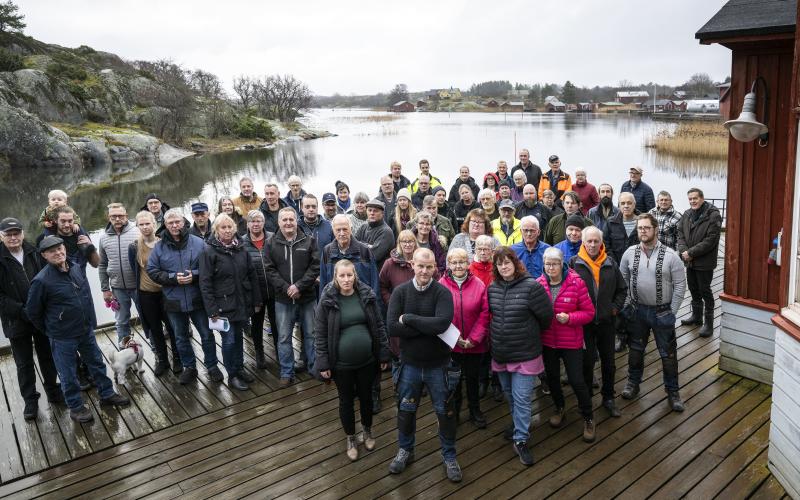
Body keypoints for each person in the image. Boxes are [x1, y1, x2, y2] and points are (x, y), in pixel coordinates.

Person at [26, 236, 130, 423]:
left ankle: (107, 394)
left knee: (97, 364)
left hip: (85, 330)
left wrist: (90, 321)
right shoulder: (41, 281)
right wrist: (52, 330)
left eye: (60, 249)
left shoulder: (74, 267)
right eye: (52, 251)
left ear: (65, 249)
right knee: (68, 373)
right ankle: (76, 406)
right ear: (44, 255)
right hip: (62, 336)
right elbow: (33, 313)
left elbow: (85, 296)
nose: (58, 253)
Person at [387, 248, 461, 482]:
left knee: (445, 412)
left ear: (435, 268)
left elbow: (441, 324)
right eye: (421, 266)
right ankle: (405, 449)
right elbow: (392, 328)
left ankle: (449, 455)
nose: (425, 271)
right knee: (406, 410)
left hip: (438, 365)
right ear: (412, 265)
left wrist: (409, 319)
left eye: (429, 267)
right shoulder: (400, 292)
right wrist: (427, 327)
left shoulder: (442, 293)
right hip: (409, 364)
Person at [315, 260, 390, 461]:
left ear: (355, 275)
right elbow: (320, 333)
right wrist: (323, 363)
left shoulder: (366, 295)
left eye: (350, 275)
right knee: (346, 401)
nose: (346, 279)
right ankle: (350, 436)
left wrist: (383, 353)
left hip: (367, 361)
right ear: (335, 277)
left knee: (366, 398)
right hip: (341, 365)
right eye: (342, 276)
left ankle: (367, 430)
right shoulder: (328, 300)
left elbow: (379, 326)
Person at [488, 247, 553, 466]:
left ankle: (521, 439)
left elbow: (546, 317)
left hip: (525, 353)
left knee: (523, 398)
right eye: (499, 263)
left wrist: (528, 333)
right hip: (501, 353)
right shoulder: (493, 288)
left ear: (516, 263)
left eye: (507, 262)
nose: (504, 266)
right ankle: (519, 425)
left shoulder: (531, 287)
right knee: (510, 394)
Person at [620, 213, 687, 412]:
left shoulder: (671, 255)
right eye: (640, 228)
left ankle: (673, 391)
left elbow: (681, 285)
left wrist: (672, 313)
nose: (643, 231)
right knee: (635, 350)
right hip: (637, 310)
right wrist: (625, 307)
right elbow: (622, 281)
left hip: (662, 311)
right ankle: (633, 383)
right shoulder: (629, 253)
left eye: (647, 228)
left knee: (668, 354)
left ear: (656, 230)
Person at [147, 209, 221, 385]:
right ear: (165, 225)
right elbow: (152, 270)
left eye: (177, 222)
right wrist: (173, 278)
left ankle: (212, 366)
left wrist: (194, 275)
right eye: (170, 223)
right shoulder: (159, 247)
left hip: (198, 298)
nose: (174, 225)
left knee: (206, 334)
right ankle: (190, 367)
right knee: (180, 337)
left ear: (184, 222)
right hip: (174, 301)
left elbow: (210, 267)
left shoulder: (198, 243)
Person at [0, 218, 62, 420]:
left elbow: (48, 280)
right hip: (15, 320)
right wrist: (22, 311)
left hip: (40, 317)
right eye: (8, 234)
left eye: (16, 233)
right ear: (1, 236)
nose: (13, 237)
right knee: (23, 363)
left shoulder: (35, 252)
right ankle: (30, 401)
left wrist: (40, 309)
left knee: (47, 356)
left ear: (22, 233)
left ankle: (53, 391)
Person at [537, 247, 596, 442]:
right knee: (552, 378)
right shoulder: (538, 284)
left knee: (577, 380)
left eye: (554, 263)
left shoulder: (576, 282)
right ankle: (559, 407)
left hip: (570, 341)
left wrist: (569, 318)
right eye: (547, 264)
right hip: (548, 342)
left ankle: (588, 417)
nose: (551, 267)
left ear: (562, 263)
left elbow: (589, 313)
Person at [199, 214, 261, 391]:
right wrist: (212, 310)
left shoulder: (241, 248)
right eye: (223, 228)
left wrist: (256, 300)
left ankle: (240, 368)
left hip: (241, 302)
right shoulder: (209, 252)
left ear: (234, 228)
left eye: (230, 227)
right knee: (229, 340)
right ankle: (232, 375)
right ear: (216, 230)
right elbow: (205, 283)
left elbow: (251, 274)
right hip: (222, 307)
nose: (227, 230)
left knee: (239, 338)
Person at [570, 226, 627, 418]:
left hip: (606, 322)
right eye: (589, 241)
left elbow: (622, 289)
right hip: (583, 324)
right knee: (586, 362)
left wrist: (614, 308)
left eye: (596, 241)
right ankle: (586, 398)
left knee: (609, 363)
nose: (593, 245)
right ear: (583, 242)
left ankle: (608, 397)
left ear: (601, 242)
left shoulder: (610, 263)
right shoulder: (573, 264)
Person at [264, 208, 320, 387]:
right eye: (284, 220)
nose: (288, 223)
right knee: (283, 337)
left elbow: (315, 266)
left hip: (307, 296)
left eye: (291, 219)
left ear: (297, 221)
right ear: (279, 222)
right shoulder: (271, 243)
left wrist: (299, 286)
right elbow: (269, 269)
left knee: (311, 334)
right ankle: (286, 372)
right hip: (283, 299)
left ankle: (313, 367)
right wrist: (287, 287)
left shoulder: (309, 241)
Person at [440, 248, 490, 428]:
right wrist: (455, 339)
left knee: (472, 378)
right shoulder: (441, 284)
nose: (458, 265)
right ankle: (455, 410)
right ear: (449, 264)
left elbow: (485, 314)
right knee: (453, 381)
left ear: (468, 263)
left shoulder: (478, 284)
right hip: (451, 345)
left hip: (474, 344)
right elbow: (439, 316)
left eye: (461, 261)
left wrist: (473, 339)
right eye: (454, 262)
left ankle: (475, 410)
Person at [128, 211, 179, 376]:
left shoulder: (163, 243)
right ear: (137, 226)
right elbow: (135, 270)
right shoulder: (134, 247)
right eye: (141, 224)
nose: (144, 227)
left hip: (165, 293)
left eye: (147, 223)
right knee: (155, 330)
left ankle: (178, 358)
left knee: (172, 327)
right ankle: (163, 361)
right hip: (146, 295)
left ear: (154, 224)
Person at [676, 188, 722, 338]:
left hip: (704, 261)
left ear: (702, 198)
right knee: (693, 289)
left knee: (705, 291)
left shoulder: (713, 215)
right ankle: (696, 317)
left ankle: (708, 323)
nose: (692, 201)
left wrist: (691, 253)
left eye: (695, 198)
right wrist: (684, 251)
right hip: (689, 261)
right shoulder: (687, 213)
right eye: (690, 199)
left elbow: (711, 240)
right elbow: (680, 233)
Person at [98, 203, 140, 345]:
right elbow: (102, 265)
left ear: (126, 216)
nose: (117, 219)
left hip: (139, 286)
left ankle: (157, 351)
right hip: (117, 288)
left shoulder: (138, 231)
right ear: (109, 217)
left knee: (148, 319)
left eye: (120, 216)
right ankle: (125, 352)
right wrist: (105, 289)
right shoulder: (103, 238)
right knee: (121, 322)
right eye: (113, 216)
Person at [241, 210, 277, 369]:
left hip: (275, 289)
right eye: (252, 221)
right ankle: (259, 353)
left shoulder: (273, 238)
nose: (256, 224)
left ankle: (279, 351)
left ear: (263, 223)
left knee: (277, 323)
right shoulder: (242, 243)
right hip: (255, 292)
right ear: (248, 224)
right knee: (257, 324)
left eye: (258, 221)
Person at [355, 198, 395, 272]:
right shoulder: (363, 227)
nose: (372, 213)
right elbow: (352, 245)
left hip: (379, 273)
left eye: (375, 211)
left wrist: (360, 244)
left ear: (382, 213)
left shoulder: (386, 232)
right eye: (369, 210)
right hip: (363, 271)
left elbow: (374, 255)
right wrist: (368, 246)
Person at [603, 192, 640, 265]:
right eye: (623, 203)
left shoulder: (643, 222)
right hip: (616, 266)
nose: (626, 206)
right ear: (619, 205)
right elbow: (606, 245)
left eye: (629, 203)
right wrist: (614, 263)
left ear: (634, 204)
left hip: (638, 266)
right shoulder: (610, 223)